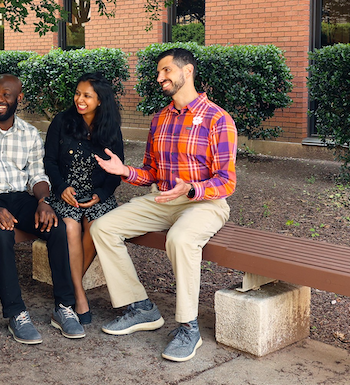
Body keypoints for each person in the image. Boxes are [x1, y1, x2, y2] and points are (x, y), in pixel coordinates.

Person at [91, 48, 237, 362]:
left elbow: (227, 182)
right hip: (163, 198)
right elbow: (151, 173)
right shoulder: (161, 118)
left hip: (205, 203)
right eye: (159, 73)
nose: (160, 78)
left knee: (181, 238)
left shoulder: (217, 119)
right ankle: (141, 308)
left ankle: (188, 327)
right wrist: (124, 171)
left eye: (166, 71)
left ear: (188, 72)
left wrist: (194, 189)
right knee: (103, 227)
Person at [0, 74, 85, 344]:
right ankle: (16, 313)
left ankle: (64, 306)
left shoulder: (28, 133)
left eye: (6, 94)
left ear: (19, 98)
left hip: (18, 198)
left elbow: (38, 176)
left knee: (57, 227)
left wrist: (43, 202)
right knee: (1, 235)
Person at [43, 72, 124, 324]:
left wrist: (100, 195)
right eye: (78, 93)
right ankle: (79, 295)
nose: (79, 99)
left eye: (87, 96)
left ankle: (71, 285)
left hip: (97, 195)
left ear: (100, 100)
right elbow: (50, 161)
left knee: (96, 226)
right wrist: (61, 187)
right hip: (65, 193)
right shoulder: (62, 121)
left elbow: (117, 170)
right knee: (69, 226)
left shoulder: (110, 128)